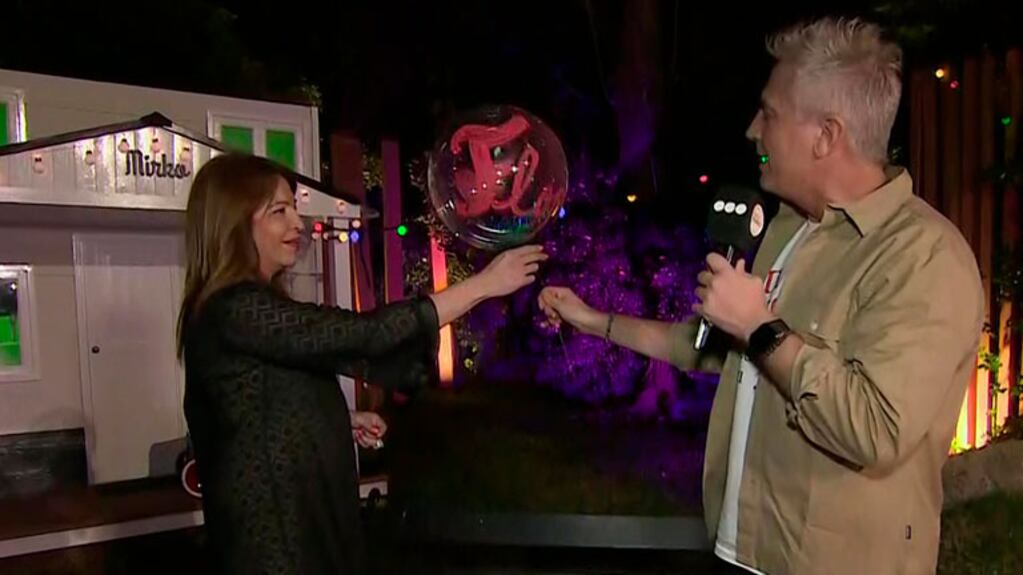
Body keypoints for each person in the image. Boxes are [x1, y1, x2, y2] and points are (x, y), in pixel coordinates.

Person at [540, 17, 982, 574]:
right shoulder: (787, 227)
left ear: (826, 136)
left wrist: (760, 327)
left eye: (769, 113)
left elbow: (876, 430)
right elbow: (713, 350)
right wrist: (590, 319)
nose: (753, 129)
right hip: (740, 551)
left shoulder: (924, 256)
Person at [177, 153, 547, 574]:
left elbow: (260, 399)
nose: (298, 223)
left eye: (294, 208)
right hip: (273, 548)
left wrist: (336, 418)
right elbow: (361, 335)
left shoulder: (243, 308)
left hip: (297, 533)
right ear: (235, 222)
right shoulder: (235, 309)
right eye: (279, 211)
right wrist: (484, 285)